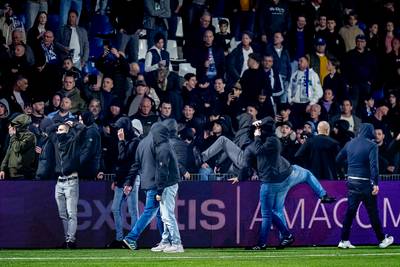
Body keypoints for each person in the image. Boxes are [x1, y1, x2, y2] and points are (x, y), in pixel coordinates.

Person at [336, 123, 394, 249]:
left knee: (350, 212)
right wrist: (375, 183)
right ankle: (382, 239)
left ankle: (344, 240)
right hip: (365, 183)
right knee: (372, 212)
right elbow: (374, 166)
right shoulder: (372, 145)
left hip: (351, 181)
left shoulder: (349, 143)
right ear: (370, 132)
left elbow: (338, 159)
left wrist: (351, 164)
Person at [105, 117, 141, 248]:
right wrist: (116, 179)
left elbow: (128, 161)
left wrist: (129, 183)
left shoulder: (135, 141)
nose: (118, 131)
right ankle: (119, 238)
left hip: (131, 179)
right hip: (121, 180)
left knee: (133, 211)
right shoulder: (123, 140)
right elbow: (120, 163)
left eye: (120, 128)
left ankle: (132, 240)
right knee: (115, 208)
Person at [150, 122, 184, 253]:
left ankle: (177, 243)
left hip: (168, 185)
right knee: (165, 215)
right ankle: (165, 241)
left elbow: (162, 171)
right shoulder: (165, 145)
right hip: (169, 184)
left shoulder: (163, 148)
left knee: (168, 215)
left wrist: (159, 190)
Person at [0, 114, 36, 180]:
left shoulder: (30, 136)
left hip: (23, 173)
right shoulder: (14, 136)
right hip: (11, 173)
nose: (10, 127)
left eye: (13, 125)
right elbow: (8, 152)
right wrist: (2, 169)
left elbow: (18, 148)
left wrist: (13, 136)